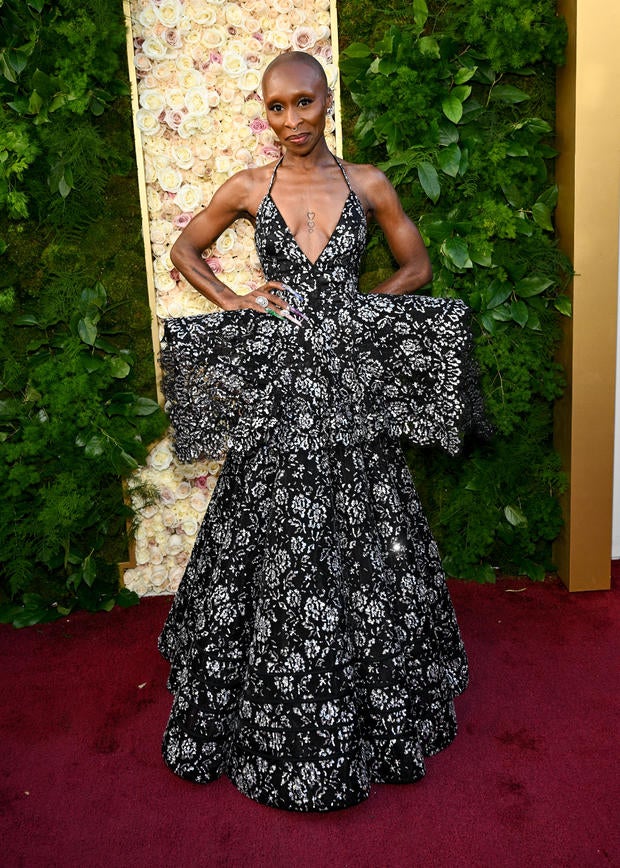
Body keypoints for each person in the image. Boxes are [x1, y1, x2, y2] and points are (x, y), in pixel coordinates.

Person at [158, 50, 487, 812]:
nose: (292, 122)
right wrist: (236, 300)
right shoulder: (249, 187)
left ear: (327, 100)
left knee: (368, 534)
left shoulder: (367, 183)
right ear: (265, 111)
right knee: (270, 537)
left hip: (346, 400)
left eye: (304, 103)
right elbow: (185, 248)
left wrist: (355, 311)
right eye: (276, 107)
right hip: (278, 400)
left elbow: (418, 267)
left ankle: (374, 708)